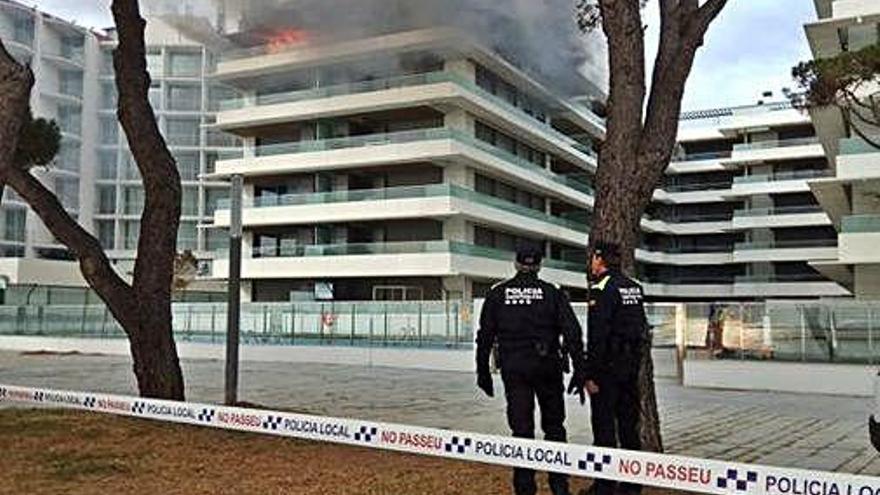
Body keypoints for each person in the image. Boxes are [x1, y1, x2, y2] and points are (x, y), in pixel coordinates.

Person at [476, 242, 587, 495]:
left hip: (515, 370)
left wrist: (482, 371)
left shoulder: (498, 292)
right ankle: (559, 488)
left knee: (521, 430)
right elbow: (572, 333)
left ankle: (525, 488)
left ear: (516, 264)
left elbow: (485, 336)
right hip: (548, 367)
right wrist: (580, 369)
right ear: (538, 265)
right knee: (555, 428)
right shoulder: (553, 292)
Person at [583, 241, 648, 495]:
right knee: (629, 427)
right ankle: (632, 486)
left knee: (604, 429)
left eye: (593, 259)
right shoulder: (634, 287)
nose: (591, 263)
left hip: (607, 370)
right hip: (629, 367)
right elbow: (641, 329)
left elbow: (598, 335)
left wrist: (590, 374)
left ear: (600, 260)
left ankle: (605, 485)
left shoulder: (601, 289)